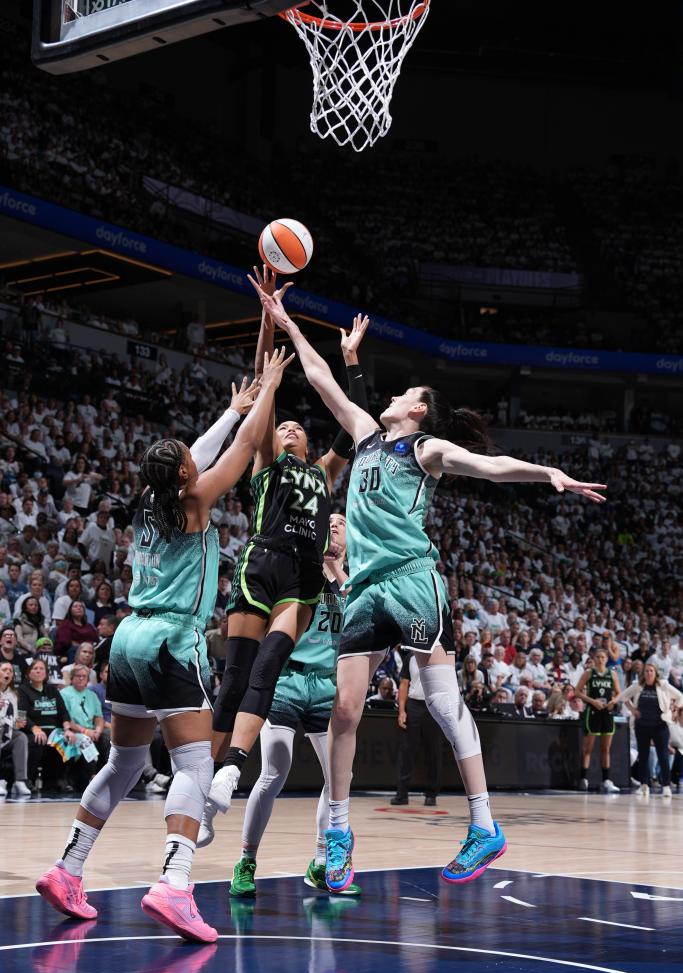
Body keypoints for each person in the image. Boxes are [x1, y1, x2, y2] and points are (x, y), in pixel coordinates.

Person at [255, 280, 606, 891]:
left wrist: (546, 472)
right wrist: (284, 322)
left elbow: (490, 467)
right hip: (363, 591)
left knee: (443, 704)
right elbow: (318, 378)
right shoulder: (364, 433)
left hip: (412, 582)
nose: (393, 394)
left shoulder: (426, 449)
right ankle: (337, 834)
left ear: (417, 409)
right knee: (343, 712)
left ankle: (483, 824)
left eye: (406, 393)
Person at [35, 351, 289, 942]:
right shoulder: (197, 501)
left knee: (124, 761)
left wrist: (230, 409)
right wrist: (270, 386)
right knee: (194, 763)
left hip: (126, 640)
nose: (190, 461)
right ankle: (175, 884)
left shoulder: (150, 497)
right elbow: (244, 452)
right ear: (184, 479)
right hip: (173, 640)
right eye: (185, 462)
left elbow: (200, 454)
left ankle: (67, 868)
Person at [202, 281, 370, 842]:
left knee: (268, 667)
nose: (291, 425)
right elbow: (262, 386)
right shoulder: (267, 461)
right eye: (284, 424)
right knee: (233, 680)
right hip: (261, 563)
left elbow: (354, 424)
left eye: (298, 425)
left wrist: (350, 362)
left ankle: (231, 768)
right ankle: (205, 786)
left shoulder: (322, 472)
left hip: (300, 579)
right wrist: (268, 320)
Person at [226, 513, 361, 899]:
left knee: (338, 780)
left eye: (341, 522)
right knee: (274, 771)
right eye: (329, 521)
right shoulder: (298, 569)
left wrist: (338, 571)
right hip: (287, 677)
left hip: (326, 685)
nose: (334, 524)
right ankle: (246, 860)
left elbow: (361, 620)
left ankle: (320, 863)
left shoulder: (352, 582)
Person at [609, 662, 683, 799]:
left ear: (655, 673)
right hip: (641, 726)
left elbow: (680, 697)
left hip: (660, 726)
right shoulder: (638, 685)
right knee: (643, 756)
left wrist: (674, 710)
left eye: (651, 671)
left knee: (663, 757)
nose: (649, 673)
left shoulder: (663, 685)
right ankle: (644, 786)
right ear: (643, 673)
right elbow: (623, 696)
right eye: (647, 671)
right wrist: (632, 710)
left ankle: (666, 786)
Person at [391, 649, 444, 807]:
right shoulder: (410, 657)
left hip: (433, 705)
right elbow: (404, 684)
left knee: (433, 752)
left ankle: (431, 795)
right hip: (413, 705)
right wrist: (401, 711)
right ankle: (402, 795)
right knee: (407, 751)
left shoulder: (439, 657)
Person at [18, 657, 73, 791]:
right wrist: (35, 728)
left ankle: (59, 779)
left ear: (46, 673)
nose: (38, 671)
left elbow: (63, 712)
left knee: (68, 740)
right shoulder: (23, 690)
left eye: (41, 669)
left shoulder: (52, 690)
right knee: (36, 741)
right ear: (28, 673)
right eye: (35, 669)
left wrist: (67, 729)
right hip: (34, 730)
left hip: (54, 731)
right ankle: (28, 780)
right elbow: (22, 715)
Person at [575, 648, 621, 792]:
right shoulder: (589, 673)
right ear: (594, 659)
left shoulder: (612, 674)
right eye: (598, 657)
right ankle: (584, 778)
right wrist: (592, 701)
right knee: (588, 748)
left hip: (607, 712)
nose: (601, 659)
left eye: (603, 657)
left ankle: (606, 781)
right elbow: (577, 691)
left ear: (607, 659)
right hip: (593, 711)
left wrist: (614, 701)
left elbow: (619, 693)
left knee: (605, 749)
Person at [59, 664, 108, 789]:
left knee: (106, 738)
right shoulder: (64, 693)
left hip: (91, 731)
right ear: (71, 678)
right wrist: (86, 731)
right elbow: (66, 719)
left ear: (88, 679)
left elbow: (99, 717)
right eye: (78, 676)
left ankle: (109, 777)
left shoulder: (91, 695)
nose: (81, 679)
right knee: (86, 740)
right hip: (72, 730)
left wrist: (97, 731)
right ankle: (92, 777)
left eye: (84, 676)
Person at [0, 660, 31, 797]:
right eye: (4, 670)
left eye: (10, 671)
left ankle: (19, 781)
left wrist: (17, 724)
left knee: (21, 737)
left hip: (6, 731)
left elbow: (13, 719)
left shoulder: (13, 694)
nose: (8, 672)